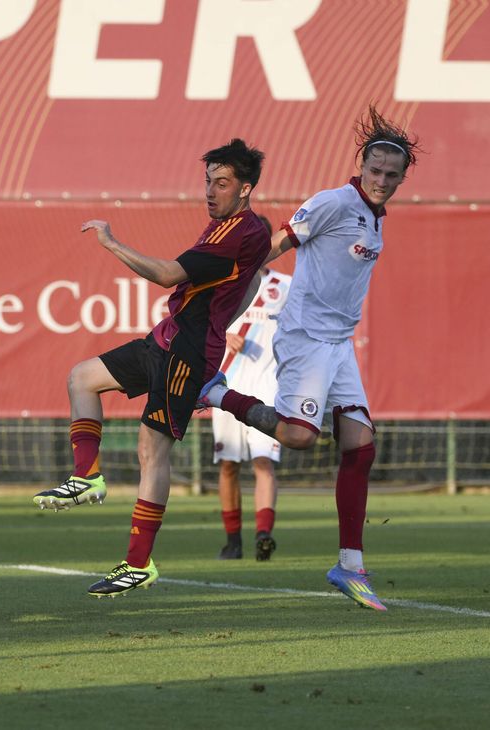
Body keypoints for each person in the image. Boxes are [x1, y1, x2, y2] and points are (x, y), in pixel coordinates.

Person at [198, 106, 422, 611]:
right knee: (299, 437)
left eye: (392, 174)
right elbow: (275, 246)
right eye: (376, 171)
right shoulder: (334, 203)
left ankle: (349, 565)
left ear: (402, 177)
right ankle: (214, 391)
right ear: (361, 167)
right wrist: (230, 292)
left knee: (360, 447)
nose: (383, 180)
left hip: (339, 344)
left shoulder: (373, 217)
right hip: (304, 337)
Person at [33, 139, 271, 597]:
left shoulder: (237, 231)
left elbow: (167, 274)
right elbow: (251, 282)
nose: (210, 192)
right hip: (168, 336)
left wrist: (111, 242)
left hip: (186, 352)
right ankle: (86, 476)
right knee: (82, 377)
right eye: (207, 182)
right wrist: (221, 324)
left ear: (245, 190)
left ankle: (138, 563)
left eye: (221, 184)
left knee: (151, 449)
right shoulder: (228, 231)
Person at [211, 215, 292, 561]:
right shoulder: (222, 285)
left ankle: (263, 535)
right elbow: (202, 325)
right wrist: (221, 336)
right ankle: (233, 542)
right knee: (229, 464)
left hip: (268, 388)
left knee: (263, 461)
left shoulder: (285, 287)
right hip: (227, 386)